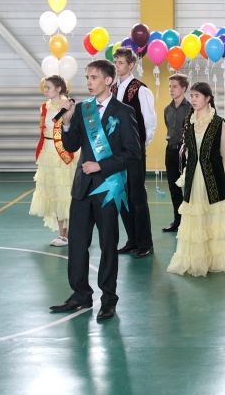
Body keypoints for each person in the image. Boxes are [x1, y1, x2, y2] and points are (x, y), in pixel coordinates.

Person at [50, 59, 141, 320]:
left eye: (94, 77)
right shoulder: (83, 109)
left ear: (108, 80)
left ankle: (108, 299)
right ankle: (81, 295)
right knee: (77, 244)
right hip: (82, 188)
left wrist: (101, 165)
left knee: (108, 245)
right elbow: (71, 145)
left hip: (108, 187)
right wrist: (67, 123)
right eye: (87, 77)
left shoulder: (123, 112)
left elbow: (133, 153)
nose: (88, 82)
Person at [167, 82, 225, 277]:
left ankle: (215, 259)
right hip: (193, 177)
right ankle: (196, 259)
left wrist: (221, 174)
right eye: (192, 96)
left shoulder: (218, 123)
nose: (193, 99)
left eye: (197, 96)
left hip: (212, 176)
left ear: (208, 98)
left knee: (214, 217)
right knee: (195, 217)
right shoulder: (189, 121)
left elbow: (224, 154)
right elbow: (189, 152)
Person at [112, 47, 156, 258]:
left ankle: (145, 242)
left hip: (134, 152)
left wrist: (139, 146)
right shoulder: (112, 89)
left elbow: (149, 121)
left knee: (137, 197)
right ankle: (132, 239)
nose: (117, 66)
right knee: (122, 196)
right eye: (116, 62)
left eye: (121, 62)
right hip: (116, 152)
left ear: (131, 65)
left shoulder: (140, 89)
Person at [29, 75, 78, 246]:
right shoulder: (44, 107)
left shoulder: (68, 105)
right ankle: (62, 234)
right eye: (45, 87)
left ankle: (69, 234)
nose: (45, 90)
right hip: (48, 152)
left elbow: (72, 129)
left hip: (63, 152)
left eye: (48, 87)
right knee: (55, 194)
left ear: (58, 89)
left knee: (65, 193)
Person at [162, 73, 191, 233]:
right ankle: (178, 221)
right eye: (170, 87)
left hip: (186, 152)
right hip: (171, 151)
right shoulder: (167, 109)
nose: (171, 90)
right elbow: (169, 128)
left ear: (184, 88)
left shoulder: (191, 109)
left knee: (189, 187)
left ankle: (190, 222)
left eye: (175, 86)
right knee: (174, 187)